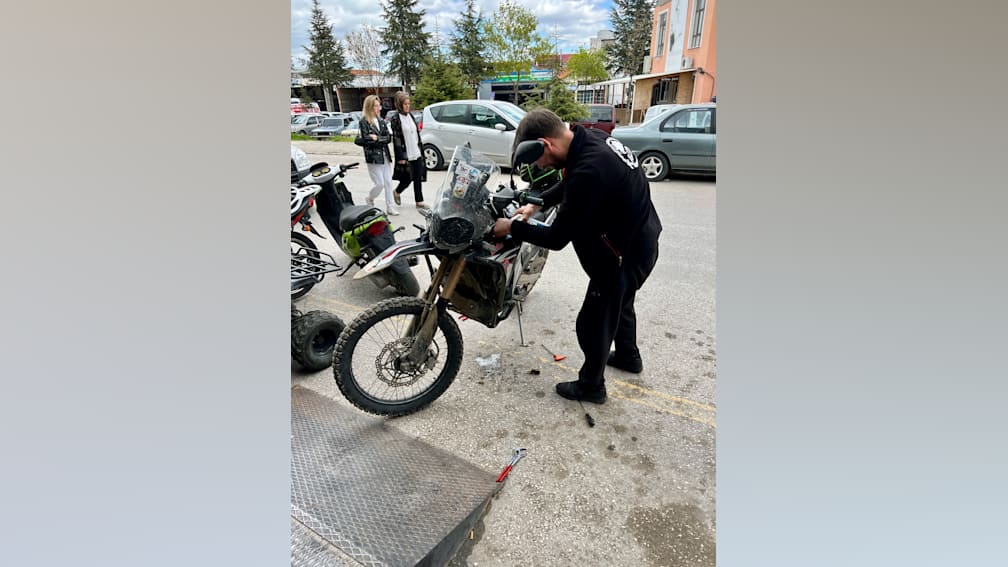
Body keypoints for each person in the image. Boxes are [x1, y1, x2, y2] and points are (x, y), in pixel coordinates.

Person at [492, 108, 662, 404]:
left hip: (622, 254)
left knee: (593, 321)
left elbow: (556, 238)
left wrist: (512, 227)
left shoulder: (591, 169)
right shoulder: (589, 139)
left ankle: (591, 387)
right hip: (639, 239)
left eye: (539, 159)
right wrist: (536, 203)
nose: (541, 165)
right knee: (620, 304)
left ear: (546, 144)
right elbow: (569, 184)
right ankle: (628, 356)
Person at [354, 94, 398, 215]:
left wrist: (377, 138)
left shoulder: (381, 121)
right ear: (370, 107)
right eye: (376, 106)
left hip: (385, 155)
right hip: (373, 157)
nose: (379, 108)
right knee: (379, 183)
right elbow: (366, 139)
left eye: (379, 105)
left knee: (388, 182)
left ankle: (390, 206)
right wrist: (376, 139)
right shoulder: (364, 122)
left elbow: (388, 138)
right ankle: (370, 198)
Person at [388, 91, 428, 210]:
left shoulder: (410, 116)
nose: (407, 106)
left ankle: (419, 201)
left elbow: (415, 133)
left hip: (416, 150)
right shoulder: (395, 118)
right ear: (399, 104)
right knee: (407, 178)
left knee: (418, 176)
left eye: (408, 104)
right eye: (405, 104)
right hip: (406, 153)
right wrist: (400, 157)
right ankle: (397, 192)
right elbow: (396, 138)